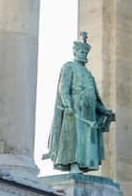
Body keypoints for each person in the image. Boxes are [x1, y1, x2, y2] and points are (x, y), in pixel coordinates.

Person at [44, 32, 115, 172]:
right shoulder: (69, 67)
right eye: (81, 52)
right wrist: (67, 105)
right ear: (75, 52)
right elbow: (63, 88)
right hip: (75, 109)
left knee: (86, 142)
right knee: (74, 139)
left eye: (85, 52)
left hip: (88, 112)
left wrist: (104, 111)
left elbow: (94, 98)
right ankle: (74, 165)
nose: (84, 55)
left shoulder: (88, 74)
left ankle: (83, 166)